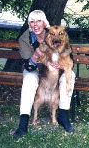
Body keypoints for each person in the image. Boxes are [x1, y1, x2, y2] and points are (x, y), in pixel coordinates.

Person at [13, 10, 75, 139]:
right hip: (36, 68)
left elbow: (69, 56)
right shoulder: (25, 39)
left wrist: (63, 66)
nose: (35, 25)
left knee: (70, 76)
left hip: (55, 69)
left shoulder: (53, 32)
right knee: (29, 79)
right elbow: (28, 66)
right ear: (29, 24)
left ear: (45, 23)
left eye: (38, 21)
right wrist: (35, 57)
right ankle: (23, 123)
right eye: (32, 21)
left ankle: (63, 116)